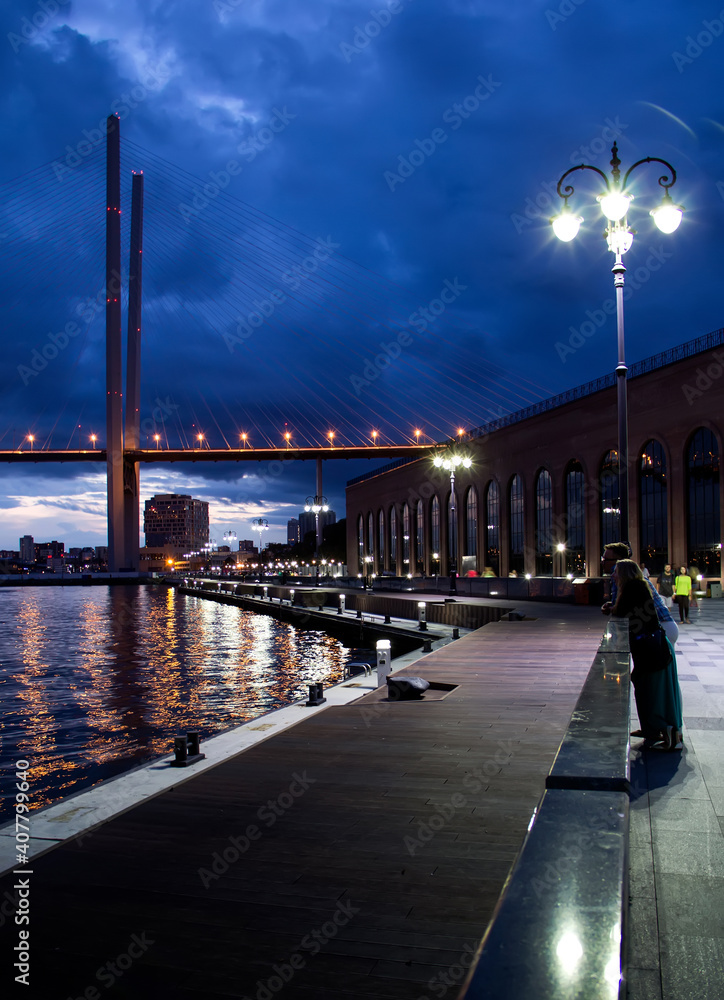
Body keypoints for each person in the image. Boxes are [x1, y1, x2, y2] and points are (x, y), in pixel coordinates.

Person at [612, 559, 683, 750]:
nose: (613, 575)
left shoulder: (632, 588)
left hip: (649, 647)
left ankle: (665, 729)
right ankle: (655, 728)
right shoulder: (639, 586)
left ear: (624, 573)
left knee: (652, 687)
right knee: (650, 685)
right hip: (654, 643)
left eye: (616, 571)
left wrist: (610, 610)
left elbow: (623, 613)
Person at [603, 542, 678, 644]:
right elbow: (626, 603)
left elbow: (620, 611)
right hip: (666, 625)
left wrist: (611, 609)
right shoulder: (633, 574)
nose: (602, 562)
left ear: (617, 560)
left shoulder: (621, 575)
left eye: (605, 559)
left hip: (659, 628)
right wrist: (613, 606)